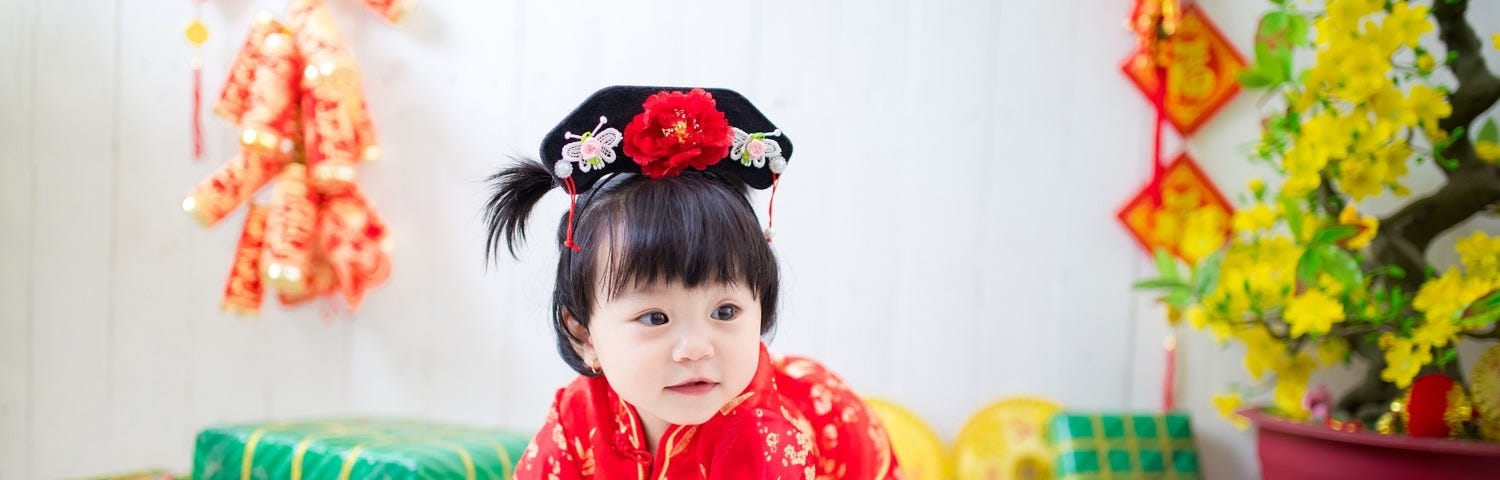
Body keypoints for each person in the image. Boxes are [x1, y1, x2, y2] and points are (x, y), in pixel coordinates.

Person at [487, 86, 901, 479]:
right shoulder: (576, 420)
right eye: (654, 317)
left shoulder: (772, 438)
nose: (697, 348)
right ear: (583, 333)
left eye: (725, 311)